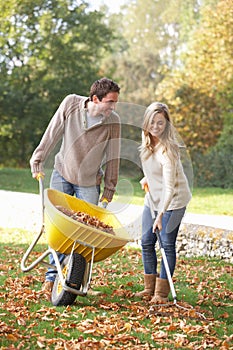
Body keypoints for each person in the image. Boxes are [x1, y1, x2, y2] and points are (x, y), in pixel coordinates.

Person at [30, 77, 121, 298]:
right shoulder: (71, 104)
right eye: (110, 102)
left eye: (115, 103)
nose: (113, 107)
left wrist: (109, 191)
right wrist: (38, 159)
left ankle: (78, 281)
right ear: (95, 99)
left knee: (86, 236)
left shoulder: (113, 122)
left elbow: (113, 158)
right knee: (58, 229)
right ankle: (51, 280)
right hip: (62, 174)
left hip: (89, 183)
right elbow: (52, 132)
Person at [135, 102, 192, 303]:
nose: (156, 126)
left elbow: (170, 188)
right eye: (152, 122)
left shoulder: (168, 150)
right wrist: (147, 178)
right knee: (146, 241)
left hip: (173, 201)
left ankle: (161, 294)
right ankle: (149, 288)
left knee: (166, 244)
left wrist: (160, 215)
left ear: (167, 125)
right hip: (153, 198)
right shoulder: (146, 144)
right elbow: (152, 170)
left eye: (161, 123)